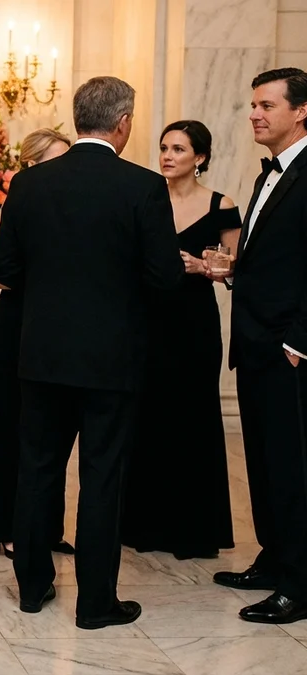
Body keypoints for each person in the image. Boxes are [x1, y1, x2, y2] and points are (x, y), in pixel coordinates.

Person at [0, 77, 183, 629]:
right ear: (123, 123)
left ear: (78, 119)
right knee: (103, 475)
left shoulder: (29, 185)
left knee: (38, 468)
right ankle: (96, 603)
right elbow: (165, 276)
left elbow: (4, 269)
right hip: (112, 359)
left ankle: (31, 587)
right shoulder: (144, 186)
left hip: (43, 355)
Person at [207, 67, 307, 625]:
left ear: (302, 112)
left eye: (267, 105)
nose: (255, 114)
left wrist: (300, 341)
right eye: (252, 105)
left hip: (289, 348)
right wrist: (227, 270)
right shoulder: (267, 173)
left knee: (293, 468)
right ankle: (274, 557)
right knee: (266, 463)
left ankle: (299, 581)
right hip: (254, 342)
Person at [120, 120, 238, 560]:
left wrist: (204, 268)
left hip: (194, 324)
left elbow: (236, 267)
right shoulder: (147, 197)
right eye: (164, 147)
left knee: (192, 418)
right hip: (146, 320)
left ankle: (192, 530)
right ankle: (141, 525)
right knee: (144, 417)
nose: (167, 156)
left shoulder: (221, 205)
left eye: (179, 150)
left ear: (200, 158)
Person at [0, 128, 75, 559]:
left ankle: (45, 527)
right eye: (56, 160)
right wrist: (48, 281)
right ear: (31, 165)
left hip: (57, 326)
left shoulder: (68, 207)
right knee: (14, 421)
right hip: (20, 323)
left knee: (51, 429)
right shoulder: (15, 205)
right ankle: (7, 526)